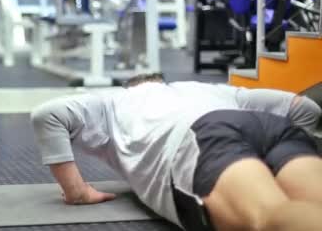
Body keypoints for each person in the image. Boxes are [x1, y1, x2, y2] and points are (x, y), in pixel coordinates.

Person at [31, 74, 322, 231]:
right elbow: (303, 107)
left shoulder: (114, 100)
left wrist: (77, 192)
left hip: (203, 136)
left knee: (271, 219)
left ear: (134, 84)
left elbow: (48, 115)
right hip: (271, 127)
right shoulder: (209, 88)